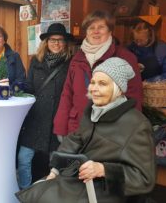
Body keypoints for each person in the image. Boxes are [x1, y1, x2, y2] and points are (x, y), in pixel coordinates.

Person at [42, 57, 156, 203]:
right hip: (83, 182)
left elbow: (145, 179)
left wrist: (103, 170)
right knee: (41, 192)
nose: (93, 89)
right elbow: (75, 139)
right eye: (93, 82)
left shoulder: (136, 124)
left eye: (102, 84)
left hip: (108, 192)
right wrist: (56, 169)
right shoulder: (93, 111)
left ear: (119, 89)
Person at [53, 10, 143, 140]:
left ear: (110, 31)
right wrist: (60, 127)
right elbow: (67, 94)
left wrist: (129, 131)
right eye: (91, 28)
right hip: (77, 127)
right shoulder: (77, 58)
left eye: (101, 27)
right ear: (86, 32)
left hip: (111, 131)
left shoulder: (125, 57)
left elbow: (134, 96)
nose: (96, 31)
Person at [17, 23, 74, 189]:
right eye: (52, 40)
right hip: (36, 118)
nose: (56, 43)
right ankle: (26, 192)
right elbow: (29, 86)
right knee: (23, 158)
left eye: (60, 40)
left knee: (54, 163)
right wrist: (17, 87)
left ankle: (50, 196)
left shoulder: (70, 63)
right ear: (46, 42)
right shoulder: (36, 60)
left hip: (57, 119)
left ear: (65, 43)